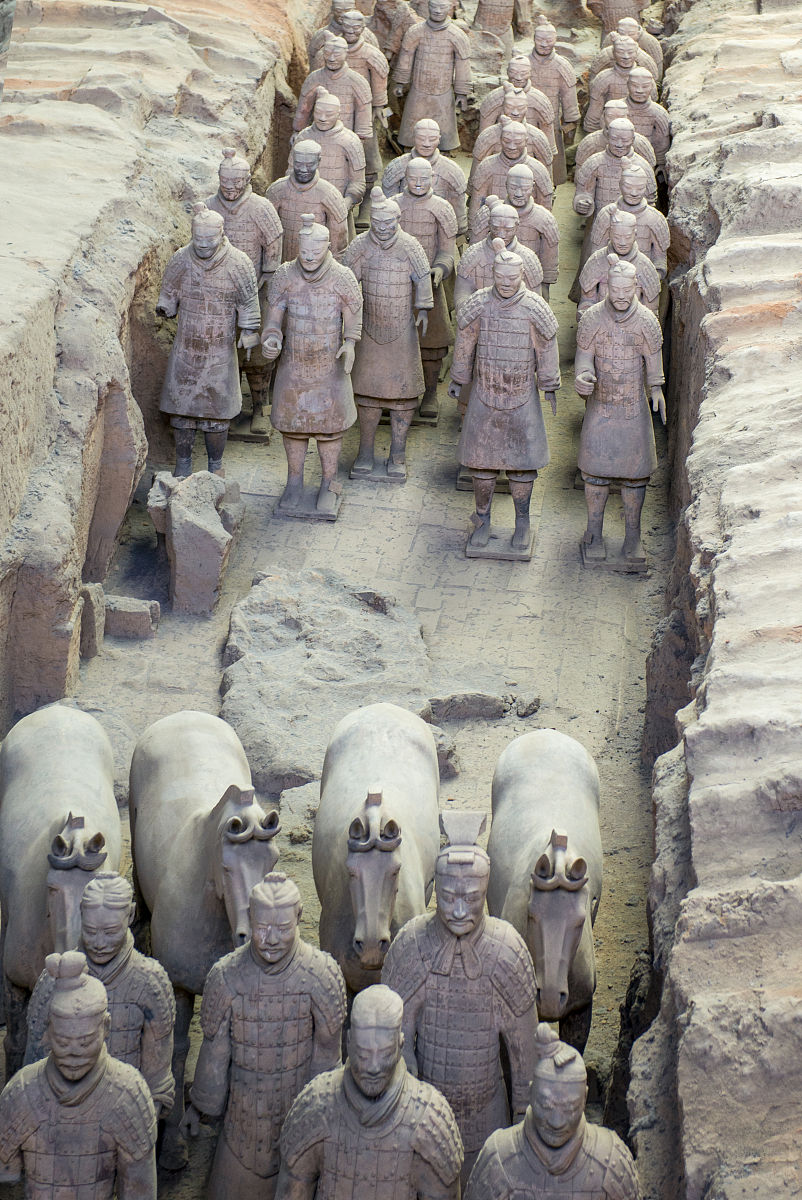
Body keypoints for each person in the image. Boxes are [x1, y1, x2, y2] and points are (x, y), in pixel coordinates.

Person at [382, 813, 538, 1177]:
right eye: (449, 897)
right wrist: (407, 1111)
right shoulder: (411, 946)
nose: (457, 910)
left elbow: (524, 1053)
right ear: (436, 890)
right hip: (425, 1116)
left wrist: (524, 1126)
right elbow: (395, 1041)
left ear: (485, 892)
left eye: (471, 898)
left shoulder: (506, 951)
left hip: (489, 1118)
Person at [181, 873, 346, 1200]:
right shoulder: (226, 976)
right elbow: (215, 1054)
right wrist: (199, 1107)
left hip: (300, 1127)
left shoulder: (322, 976)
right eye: (262, 928)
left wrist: (326, 1122)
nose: (271, 938)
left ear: (298, 918)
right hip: (241, 1130)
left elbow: (326, 1062)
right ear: (249, 918)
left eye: (283, 929)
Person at [276, 985, 463, 1200]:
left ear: (400, 1046)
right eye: (364, 1055)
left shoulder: (429, 1119)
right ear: (348, 1043)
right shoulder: (316, 1106)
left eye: (384, 1054)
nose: (373, 1068)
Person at [0, 951, 157, 1200]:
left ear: (105, 1027)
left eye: (85, 1042)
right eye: (63, 1042)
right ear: (49, 1031)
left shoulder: (129, 1093)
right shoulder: (21, 1092)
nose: (73, 1053)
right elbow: (6, 1174)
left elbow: (139, 1190)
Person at [25, 872, 175, 1117]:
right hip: (61, 1116)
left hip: (124, 1115)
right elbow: (33, 1067)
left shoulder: (150, 981)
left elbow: (156, 1079)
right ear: (81, 916)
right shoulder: (54, 980)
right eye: (91, 931)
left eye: (110, 931)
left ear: (131, 916)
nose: (99, 942)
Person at [464, 1023, 642, 1199]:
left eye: (570, 1108)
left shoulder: (611, 1160)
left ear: (585, 1099)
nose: (556, 1122)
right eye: (546, 1106)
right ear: (531, 1094)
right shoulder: (498, 1158)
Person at [263, 214, 363, 517]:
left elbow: (353, 313)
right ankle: (293, 482)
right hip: (294, 365)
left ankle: (328, 483)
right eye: (303, 252)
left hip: (328, 365)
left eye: (314, 253)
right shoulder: (284, 275)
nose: (308, 258)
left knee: (329, 430)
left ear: (328, 247)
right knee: (293, 428)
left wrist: (349, 343)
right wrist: (271, 339)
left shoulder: (342, 276)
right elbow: (274, 317)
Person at [157, 202, 260, 477]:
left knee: (217, 414)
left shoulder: (239, 263)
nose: (203, 245)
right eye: (198, 239)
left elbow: (249, 301)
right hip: (187, 347)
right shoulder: (181, 258)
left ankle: (216, 467)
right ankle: (183, 464)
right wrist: (166, 305)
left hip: (219, 349)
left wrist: (249, 331)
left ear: (221, 233)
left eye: (209, 239)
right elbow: (168, 289)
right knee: (182, 411)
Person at [575, 254, 665, 564]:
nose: (622, 296)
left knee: (634, 479)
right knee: (595, 476)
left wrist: (656, 389)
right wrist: (583, 377)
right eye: (615, 289)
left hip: (632, 410)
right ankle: (594, 534)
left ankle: (632, 538)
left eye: (627, 290)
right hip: (600, 407)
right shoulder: (591, 319)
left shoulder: (647, 323)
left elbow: (653, 364)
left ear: (637, 287)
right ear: (606, 287)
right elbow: (583, 358)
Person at [342, 189, 433, 480]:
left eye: (388, 223)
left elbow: (423, 278)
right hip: (369, 326)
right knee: (367, 394)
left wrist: (423, 308)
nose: (382, 229)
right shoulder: (359, 245)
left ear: (398, 219)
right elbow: (345, 281)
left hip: (402, 328)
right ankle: (365, 451)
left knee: (403, 396)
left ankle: (398, 453)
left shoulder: (410, 246)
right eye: (377, 223)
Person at [206, 147, 284, 435]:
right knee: (222, 354)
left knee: (258, 356)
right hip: (216, 295)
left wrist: (267, 276)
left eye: (237, 183)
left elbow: (273, 246)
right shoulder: (208, 207)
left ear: (248, 179)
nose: (231, 189)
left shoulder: (261, 208)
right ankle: (227, 408)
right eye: (226, 182)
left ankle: (260, 409)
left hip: (255, 290)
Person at [396, 156, 458, 419]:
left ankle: (431, 393)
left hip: (429, 283)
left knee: (431, 344)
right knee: (394, 344)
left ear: (433, 179)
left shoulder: (442, 208)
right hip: (396, 284)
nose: (418, 184)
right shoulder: (394, 206)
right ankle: (398, 393)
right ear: (404, 179)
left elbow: (447, 250)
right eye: (413, 179)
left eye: (424, 179)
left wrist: (440, 268)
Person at [393, 0, 471, 154]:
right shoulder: (416, 31)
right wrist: (400, 82)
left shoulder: (457, 35)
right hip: (418, 87)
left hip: (443, 89)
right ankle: (409, 147)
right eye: (433, 6)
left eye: (442, 7)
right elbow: (406, 58)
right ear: (428, 7)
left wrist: (462, 92)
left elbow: (462, 64)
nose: (437, 11)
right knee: (412, 122)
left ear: (449, 8)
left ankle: (444, 150)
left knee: (444, 126)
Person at [472, 165, 559, 300]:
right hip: (491, 277)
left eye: (524, 189)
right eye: (513, 188)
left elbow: (549, 261)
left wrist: (544, 288)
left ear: (533, 187)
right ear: (505, 185)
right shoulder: (486, 214)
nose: (518, 194)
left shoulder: (544, 218)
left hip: (529, 278)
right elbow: (475, 253)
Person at [295, 88, 367, 240]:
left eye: (329, 114)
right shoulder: (303, 137)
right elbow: (291, 173)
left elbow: (358, 182)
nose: (322, 118)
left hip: (338, 208)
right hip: (306, 206)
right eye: (318, 112)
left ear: (339, 114)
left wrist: (345, 204)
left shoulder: (350, 141)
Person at [381, 116, 468, 239]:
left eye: (432, 139)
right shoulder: (396, 168)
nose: (426, 144)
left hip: (436, 234)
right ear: (413, 138)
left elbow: (458, 211)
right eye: (421, 138)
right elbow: (387, 210)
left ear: (439, 140)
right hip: (402, 232)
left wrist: (460, 231)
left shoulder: (452, 171)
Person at [266, 140, 349, 263]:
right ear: (293, 160)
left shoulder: (329, 194)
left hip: (316, 265)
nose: (304, 169)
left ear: (319, 161)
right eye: (299, 164)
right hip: (283, 262)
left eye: (310, 165)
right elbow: (267, 233)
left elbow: (339, 242)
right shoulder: (277, 190)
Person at [468, 119, 552, 235]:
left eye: (517, 142)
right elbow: (477, 200)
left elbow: (545, 209)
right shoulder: (487, 166)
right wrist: (473, 229)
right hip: (494, 228)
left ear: (526, 141)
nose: (511, 146)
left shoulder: (538, 169)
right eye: (506, 141)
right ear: (500, 140)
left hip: (527, 231)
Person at [590, 162, 669, 279]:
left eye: (640, 188)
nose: (634, 193)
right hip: (609, 280)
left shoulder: (655, 219)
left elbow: (660, 260)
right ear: (620, 185)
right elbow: (596, 257)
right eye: (628, 187)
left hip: (641, 280)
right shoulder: (606, 215)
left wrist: (652, 278)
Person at [578, 209, 660, 315]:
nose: (622, 243)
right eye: (617, 237)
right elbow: (586, 301)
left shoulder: (646, 267)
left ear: (635, 234)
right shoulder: (596, 261)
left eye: (627, 237)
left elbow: (651, 311)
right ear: (610, 234)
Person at [528, 19, 578, 185]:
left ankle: (551, 188)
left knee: (552, 161)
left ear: (555, 40)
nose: (543, 44)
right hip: (525, 118)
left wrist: (570, 122)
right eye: (540, 40)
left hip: (552, 122)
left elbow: (569, 97)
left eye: (548, 40)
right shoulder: (524, 63)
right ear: (533, 39)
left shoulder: (562, 65)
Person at [478, 55, 556, 156]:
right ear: (507, 72)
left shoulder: (540, 100)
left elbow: (549, 149)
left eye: (523, 73)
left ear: (530, 72)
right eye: (513, 72)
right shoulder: (493, 99)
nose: (518, 78)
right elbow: (483, 142)